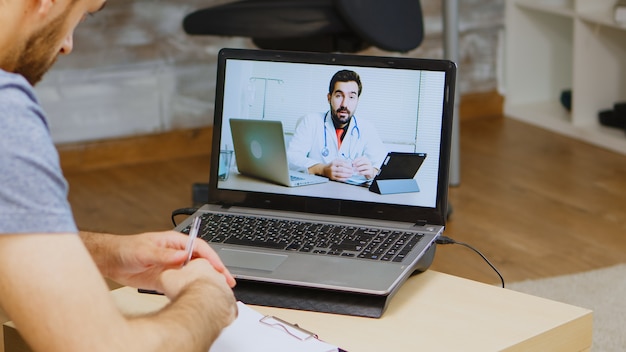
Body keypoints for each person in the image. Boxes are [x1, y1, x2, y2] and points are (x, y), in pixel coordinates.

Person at [0, 0, 237, 351]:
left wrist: (108, 253)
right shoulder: (7, 113)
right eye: (78, 15)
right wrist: (209, 299)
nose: (67, 44)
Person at [287, 69, 387, 182]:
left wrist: (373, 171)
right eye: (339, 96)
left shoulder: (367, 128)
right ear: (329, 97)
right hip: (315, 192)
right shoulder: (310, 121)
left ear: (357, 100)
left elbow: (384, 165)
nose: (344, 104)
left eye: (351, 97)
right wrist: (322, 169)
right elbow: (291, 159)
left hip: (352, 194)